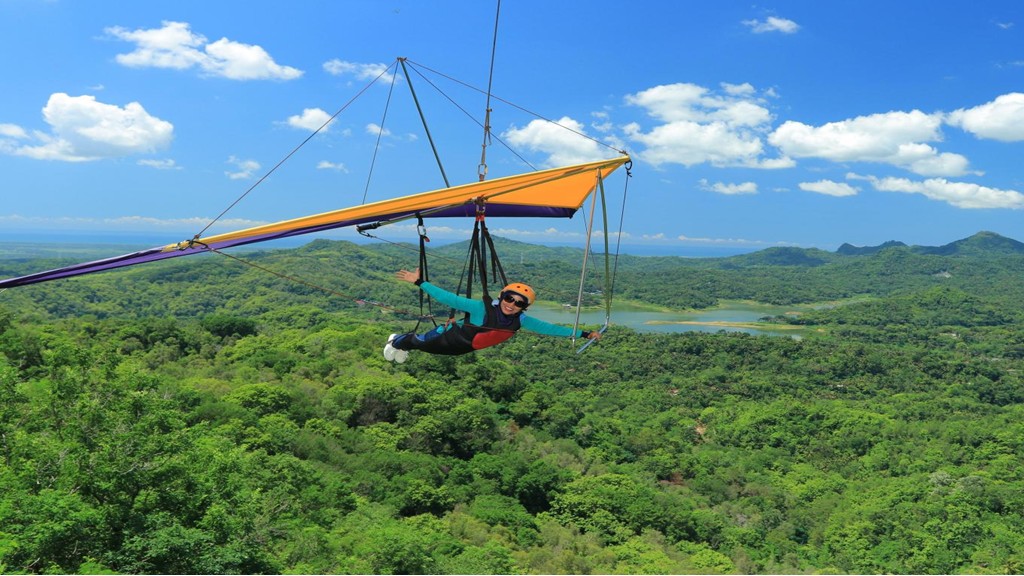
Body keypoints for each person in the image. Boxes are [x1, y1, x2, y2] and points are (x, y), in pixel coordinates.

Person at [383, 267, 601, 362]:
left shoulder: (520, 321)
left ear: (524, 307)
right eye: (509, 298)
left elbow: (550, 328)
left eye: (518, 303)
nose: (512, 305)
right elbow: (448, 298)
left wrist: (584, 334)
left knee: (431, 351)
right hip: (448, 336)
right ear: (502, 296)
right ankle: (396, 342)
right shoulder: (482, 308)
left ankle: (403, 346)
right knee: (420, 341)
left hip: (462, 348)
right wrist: (419, 282)